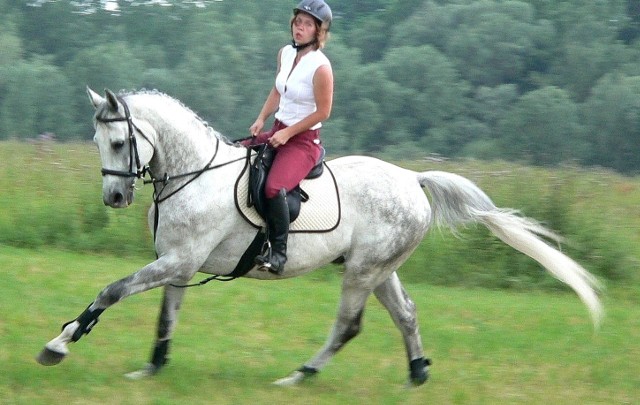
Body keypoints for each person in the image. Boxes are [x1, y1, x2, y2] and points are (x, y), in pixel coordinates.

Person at [245, 0, 333, 275]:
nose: (300, 28)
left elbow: (323, 112)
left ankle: (279, 253)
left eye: (307, 25)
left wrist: (288, 133)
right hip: (278, 130)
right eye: (298, 22)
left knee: (273, 188)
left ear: (318, 31)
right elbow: (278, 90)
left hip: (303, 141)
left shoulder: (321, 67)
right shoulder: (285, 53)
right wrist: (261, 119)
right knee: (236, 153)